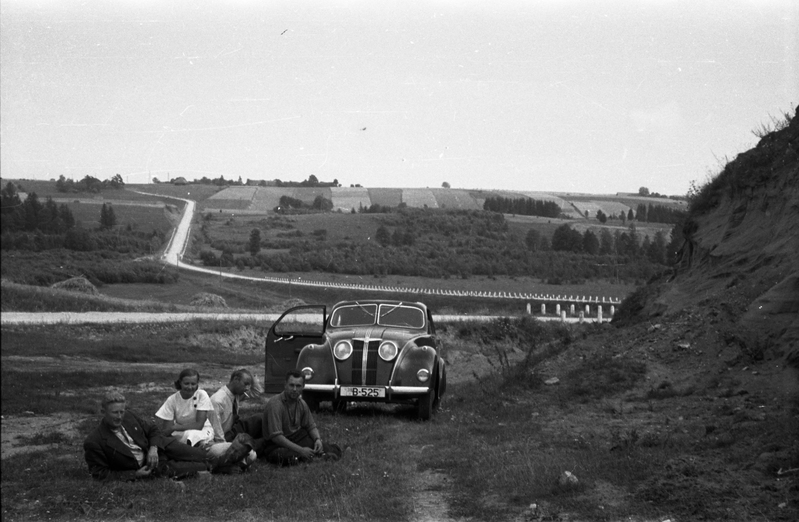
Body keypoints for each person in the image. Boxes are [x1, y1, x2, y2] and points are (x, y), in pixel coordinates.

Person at [83, 391, 209, 481]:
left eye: (122, 411)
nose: (120, 416)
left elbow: (153, 429)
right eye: (115, 413)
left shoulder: (129, 416)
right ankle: (222, 464)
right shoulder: (95, 441)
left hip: (160, 447)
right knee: (202, 466)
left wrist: (153, 448)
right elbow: (100, 474)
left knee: (201, 455)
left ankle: (223, 460)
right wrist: (135, 474)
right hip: (151, 467)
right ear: (103, 412)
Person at [261, 370, 341, 465]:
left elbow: (310, 426)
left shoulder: (301, 403)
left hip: (297, 438)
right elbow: (276, 437)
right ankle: (318, 457)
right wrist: (301, 450)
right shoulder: (275, 404)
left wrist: (317, 439)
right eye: (291, 385)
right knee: (285, 457)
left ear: (303, 387)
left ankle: (325, 453)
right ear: (285, 385)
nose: (294, 389)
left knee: (326, 447)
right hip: (276, 445)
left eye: (298, 386)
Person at [206, 369, 261, 467]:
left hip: (231, 435)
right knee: (251, 455)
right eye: (246, 384)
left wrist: (250, 377)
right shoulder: (217, 401)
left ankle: (232, 460)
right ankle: (227, 462)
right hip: (215, 442)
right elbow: (217, 432)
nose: (248, 388)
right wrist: (229, 447)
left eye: (249, 385)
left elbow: (256, 392)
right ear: (235, 379)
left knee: (259, 420)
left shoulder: (235, 395)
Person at [155, 369, 215, 448]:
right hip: (181, 431)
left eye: (193, 384)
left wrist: (175, 427)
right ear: (180, 383)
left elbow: (199, 425)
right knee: (176, 439)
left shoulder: (201, 395)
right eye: (186, 384)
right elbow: (167, 429)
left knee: (192, 436)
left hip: (202, 430)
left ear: (197, 383)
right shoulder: (172, 400)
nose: (190, 387)